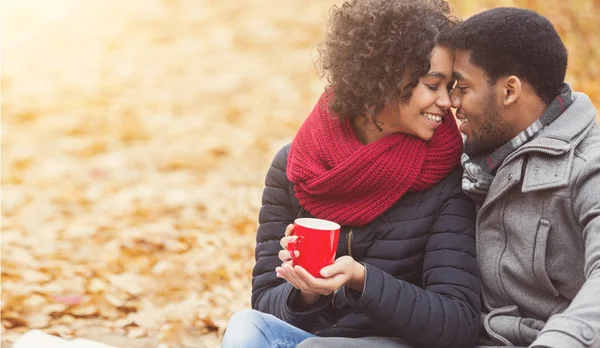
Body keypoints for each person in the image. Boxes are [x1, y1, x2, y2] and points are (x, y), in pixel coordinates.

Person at [221, 1, 481, 347]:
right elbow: (265, 301)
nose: (447, 102)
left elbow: (457, 322)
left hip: (394, 342)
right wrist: (304, 290)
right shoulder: (295, 167)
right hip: (311, 338)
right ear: (383, 80)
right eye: (433, 85)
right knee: (247, 325)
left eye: (449, 87)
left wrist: (362, 280)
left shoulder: (448, 174)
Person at [439, 7, 600, 348]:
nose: (451, 101)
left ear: (509, 90)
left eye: (462, 87)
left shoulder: (590, 165)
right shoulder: (468, 157)